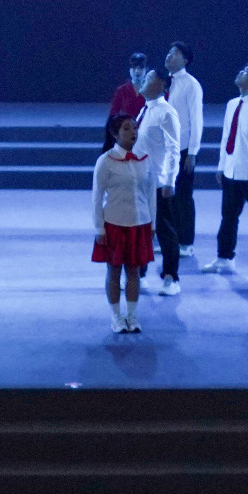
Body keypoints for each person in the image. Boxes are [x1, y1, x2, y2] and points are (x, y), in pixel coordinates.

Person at [91, 112, 156, 334]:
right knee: (114, 271)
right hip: (115, 224)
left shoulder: (145, 159)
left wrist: (153, 224)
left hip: (140, 223)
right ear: (114, 133)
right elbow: (96, 197)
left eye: (135, 128)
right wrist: (99, 228)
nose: (133, 132)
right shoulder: (105, 161)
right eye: (126, 129)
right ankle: (116, 316)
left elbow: (151, 194)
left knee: (134, 271)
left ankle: (132, 315)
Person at [211, 62, 248, 272]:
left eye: (245, 72)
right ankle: (225, 257)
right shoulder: (232, 104)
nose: (240, 72)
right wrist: (222, 165)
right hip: (232, 169)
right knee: (228, 217)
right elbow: (226, 136)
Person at [131, 70, 186, 296]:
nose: (144, 80)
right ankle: (140, 273)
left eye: (149, 77)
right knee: (139, 229)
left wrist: (170, 180)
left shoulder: (166, 112)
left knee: (165, 231)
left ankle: (171, 278)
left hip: (157, 183)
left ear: (161, 84)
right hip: (139, 180)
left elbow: (173, 149)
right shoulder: (145, 110)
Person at [160, 42, 204, 271]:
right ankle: (170, 237)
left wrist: (193, 152)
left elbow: (196, 119)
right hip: (166, 147)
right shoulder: (166, 82)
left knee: (183, 196)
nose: (169, 56)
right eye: (169, 52)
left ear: (185, 60)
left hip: (183, 148)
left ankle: (186, 242)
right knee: (166, 195)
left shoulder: (191, 84)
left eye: (175, 54)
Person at [107, 51, 147, 127]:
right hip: (127, 131)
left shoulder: (152, 89)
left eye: (141, 68)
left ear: (146, 69)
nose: (137, 71)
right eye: (134, 67)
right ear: (129, 70)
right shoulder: (121, 91)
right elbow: (113, 114)